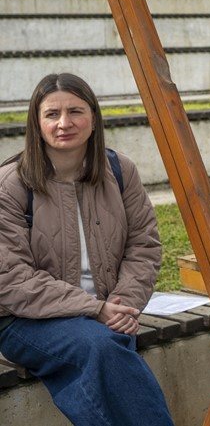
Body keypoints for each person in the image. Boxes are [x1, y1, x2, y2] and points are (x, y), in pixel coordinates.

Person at [0, 73, 173, 426]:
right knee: (101, 346)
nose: (64, 123)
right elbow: (11, 280)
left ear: (93, 119)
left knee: (106, 343)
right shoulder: (11, 185)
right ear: (37, 123)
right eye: (52, 114)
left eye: (75, 111)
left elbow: (144, 245)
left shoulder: (119, 171)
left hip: (108, 311)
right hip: (25, 320)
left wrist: (123, 303)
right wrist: (94, 309)